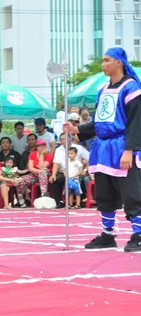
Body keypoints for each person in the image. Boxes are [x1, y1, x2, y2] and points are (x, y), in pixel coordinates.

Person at [64, 47, 141, 252]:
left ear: (119, 62)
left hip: (122, 146)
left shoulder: (131, 88)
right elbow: (100, 121)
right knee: (104, 193)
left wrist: (130, 149)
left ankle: (139, 234)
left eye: (107, 60)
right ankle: (108, 234)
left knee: (131, 193)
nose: (102, 64)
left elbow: (136, 122)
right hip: (103, 147)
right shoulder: (103, 89)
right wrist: (77, 129)